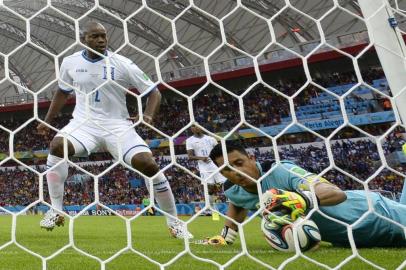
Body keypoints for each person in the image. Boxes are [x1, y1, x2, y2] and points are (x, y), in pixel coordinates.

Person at [37, 21, 192, 239]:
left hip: (118, 126)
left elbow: (153, 92)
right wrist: (47, 121)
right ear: (84, 39)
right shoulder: (70, 62)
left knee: (148, 164)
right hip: (84, 125)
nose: (101, 40)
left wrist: (148, 116)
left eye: (104, 36)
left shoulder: (122, 63)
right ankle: (55, 210)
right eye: (95, 36)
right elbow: (62, 92)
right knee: (57, 145)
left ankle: (175, 223)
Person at [206, 141, 406, 248]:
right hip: (354, 241)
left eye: (239, 164)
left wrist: (301, 199)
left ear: (251, 158)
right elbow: (237, 204)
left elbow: (336, 193)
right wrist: (225, 237)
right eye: (226, 169)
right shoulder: (232, 189)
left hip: (380, 215)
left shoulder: (281, 171)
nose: (235, 173)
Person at [186, 126, 226, 207]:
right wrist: (201, 158)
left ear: (200, 127)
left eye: (196, 126)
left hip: (216, 166)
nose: (195, 128)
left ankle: (235, 205)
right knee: (210, 189)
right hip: (204, 169)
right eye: (193, 127)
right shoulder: (189, 140)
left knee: (225, 185)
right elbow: (190, 156)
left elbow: (219, 151)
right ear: (191, 129)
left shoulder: (211, 138)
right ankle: (213, 210)